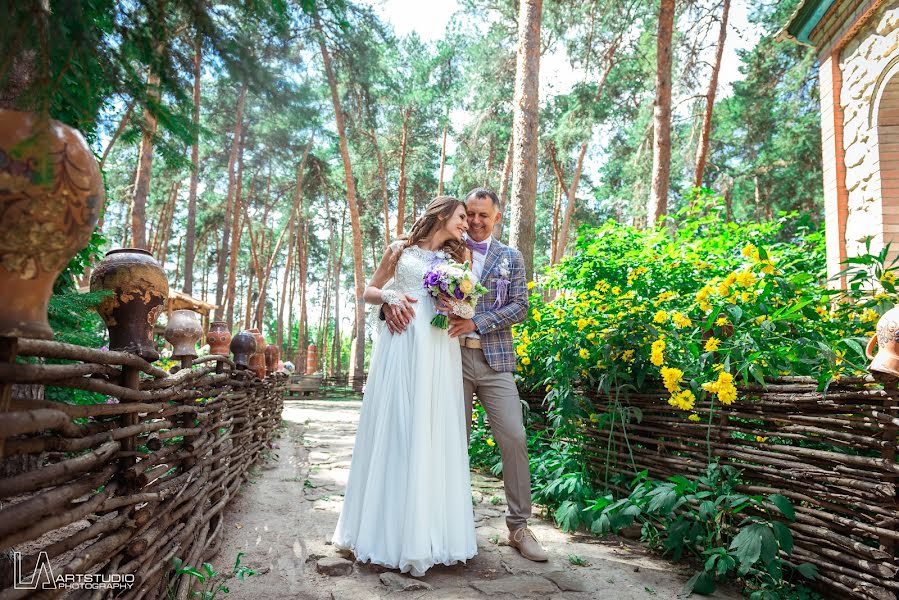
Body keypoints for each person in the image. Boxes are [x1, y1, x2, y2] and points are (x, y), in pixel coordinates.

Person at [384, 187, 548, 562]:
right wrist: (387, 309)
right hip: (447, 360)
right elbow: (405, 286)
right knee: (444, 440)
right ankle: (442, 528)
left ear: (496, 218)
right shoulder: (446, 249)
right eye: (469, 214)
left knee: (514, 436)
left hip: (495, 361)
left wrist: (478, 321)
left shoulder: (510, 257)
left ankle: (519, 527)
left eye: (482, 216)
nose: (474, 221)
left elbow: (521, 305)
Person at [332, 196, 477, 577]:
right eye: (462, 217)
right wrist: (390, 295)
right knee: (397, 427)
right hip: (402, 345)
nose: (466, 224)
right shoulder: (399, 250)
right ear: (443, 215)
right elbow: (367, 291)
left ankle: (432, 535)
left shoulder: (458, 261)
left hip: (437, 349)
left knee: (432, 430)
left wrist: (455, 305)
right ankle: (385, 532)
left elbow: (466, 311)